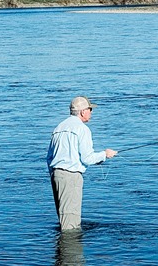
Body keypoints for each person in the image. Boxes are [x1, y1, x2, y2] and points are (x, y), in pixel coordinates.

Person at [47, 96, 117, 230]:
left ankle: (61, 250)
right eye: (90, 109)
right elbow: (87, 158)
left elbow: (49, 158)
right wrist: (105, 154)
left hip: (56, 175)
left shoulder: (59, 127)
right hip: (71, 176)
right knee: (70, 223)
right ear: (83, 111)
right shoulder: (82, 129)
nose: (91, 112)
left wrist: (54, 174)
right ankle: (71, 250)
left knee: (63, 218)